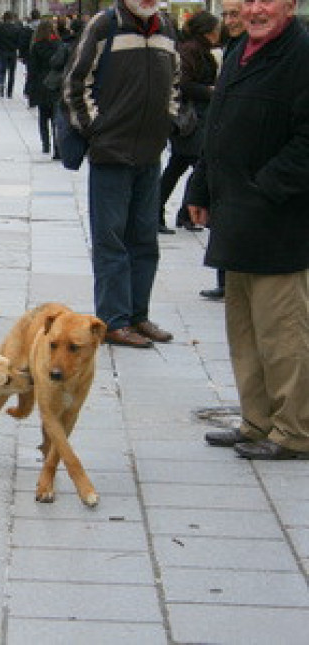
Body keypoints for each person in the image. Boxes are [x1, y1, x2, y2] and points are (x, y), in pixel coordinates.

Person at [187, 0, 309, 460]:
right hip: (238, 216)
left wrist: (265, 188)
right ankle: (257, 421)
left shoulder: (301, 55)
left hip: (279, 220)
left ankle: (294, 432)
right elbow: (216, 125)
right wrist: (200, 186)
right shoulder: (242, 49)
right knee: (246, 332)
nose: (256, 9)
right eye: (249, 0)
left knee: (283, 334)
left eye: (268, 0)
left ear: (291, 5)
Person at [64, 0, 179, 349]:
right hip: (111, 154)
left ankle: (137, 315)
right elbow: (74, 84)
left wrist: (168, 121)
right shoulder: (104, 25)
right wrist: (97, 130)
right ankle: (113, 321)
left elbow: (175, 80)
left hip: (149, 152)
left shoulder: (166, 27)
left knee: (145, 238)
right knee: (111, 240)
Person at [198, 0, 246, 300]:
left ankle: (229, 279)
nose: (230, 20)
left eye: (234, 14)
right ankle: (226, 279)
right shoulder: (235, 48)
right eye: (225, 15)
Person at [157, 10, 220, 235]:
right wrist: (211, 91)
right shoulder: (192, 50)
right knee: (194, 165)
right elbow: (183, 84)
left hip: (195, 118)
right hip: (191, 118)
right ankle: (182, 212)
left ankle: (175, 212)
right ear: (207, 32)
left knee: (180, 165)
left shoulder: (199, 49)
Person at [28, 19, 61, 154]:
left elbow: (33, 69)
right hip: (55, 83)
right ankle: (57, 148)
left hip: (41, 83)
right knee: (55, 117)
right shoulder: (59, 45)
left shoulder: (36, 46)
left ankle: (45, 145)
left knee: (43, 116)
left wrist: (30, 88)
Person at [0, 11, 22, 98]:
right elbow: (19, 42)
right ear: (12, 18)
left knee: (2, 70)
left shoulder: (0, 27)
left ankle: (1, 86)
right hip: (13, 52)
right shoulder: (17, 28)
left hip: (3, 51)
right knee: (11, 72)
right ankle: (9, 92)